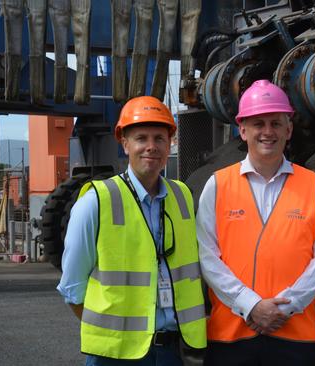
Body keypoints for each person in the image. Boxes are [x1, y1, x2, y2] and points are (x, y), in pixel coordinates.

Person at [196, 79, 315, 366]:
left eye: (276, 123)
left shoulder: (313, 185)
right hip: (231, 334)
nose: (267, 131)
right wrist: (250, 306)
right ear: (243, 130)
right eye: (258, 123)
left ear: (289, 129)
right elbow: (207, 256)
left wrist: (284, 307)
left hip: (293, 333)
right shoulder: (218, 184)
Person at [57, 96, 206, 365]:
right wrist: (113, 332)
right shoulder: (97, 200)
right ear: (125, 143)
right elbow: (72, 288)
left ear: (170, 142)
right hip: (115, 355)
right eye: (141, 138)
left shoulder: (182, 196)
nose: (151, 147)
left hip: (172, 350)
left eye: (159, 138)